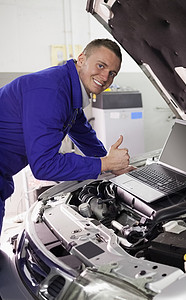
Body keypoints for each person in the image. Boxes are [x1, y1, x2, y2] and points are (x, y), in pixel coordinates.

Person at [0, 38, 134, 235]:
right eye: (101, 65)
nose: (105, 76)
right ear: (81, 59)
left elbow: (84, 134)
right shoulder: (52, 92)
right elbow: (44, 165)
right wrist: (104, 164)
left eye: (112, 73)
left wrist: (114, 167)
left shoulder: (68, 88)